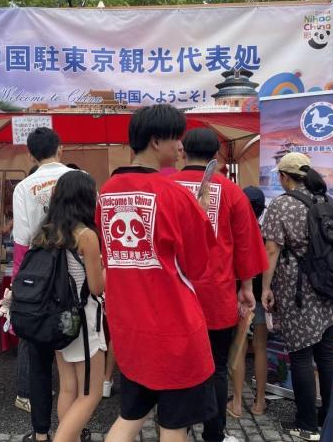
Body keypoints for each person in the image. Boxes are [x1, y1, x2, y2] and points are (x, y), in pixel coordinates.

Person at [96, 105, 218, 442]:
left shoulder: (106, 193)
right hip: (174, 329)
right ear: (155, 141)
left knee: (129, 417)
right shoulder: (176, 195)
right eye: (175, 138)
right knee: (174, 426)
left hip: (129, 328)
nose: (180, 146)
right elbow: (197, 266)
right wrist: (201, 213)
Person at [171, 129, 268, 442]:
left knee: (179, 368)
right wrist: (247, 288)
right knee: (217, 367)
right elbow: (246, 246)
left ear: (182, 152)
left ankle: (177, 430)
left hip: (174, 296)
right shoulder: (230, 191)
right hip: (216, 294)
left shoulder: (167, 187)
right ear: (216, 156)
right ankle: (215, 434)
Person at [260, 152, 333, 442]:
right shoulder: (327, 200)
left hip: (299, 290)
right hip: (329, 286)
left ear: (284, 177)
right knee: (327, 353)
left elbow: (272, 250)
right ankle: (330, 416)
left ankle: (307, 424)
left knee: (301, 355)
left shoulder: (281, 205)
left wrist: (265, 287)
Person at [32, 170, 106, 442]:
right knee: (91, 394)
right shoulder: (86, 235)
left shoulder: (46, 231)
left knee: (68, 388)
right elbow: (96, 287)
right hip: (82, 321)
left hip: (56, 318)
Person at [12, 127, 73, 439]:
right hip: (74, 274)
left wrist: (19, 287)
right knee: (73, 362)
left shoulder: (24, 187)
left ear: (30, 154)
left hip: (38, 276)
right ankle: (71, 427)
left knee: (39, 361)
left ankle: (40, 433)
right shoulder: (79, 178)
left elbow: (22, 241)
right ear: (60, 148)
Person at [229, 186, 269, 419]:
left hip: (239, 296)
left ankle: (236, 403)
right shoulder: (265, 233)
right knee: (261, 347)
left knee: (239, 347)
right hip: (261, 296)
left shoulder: (235, 231)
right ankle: (260, 402)